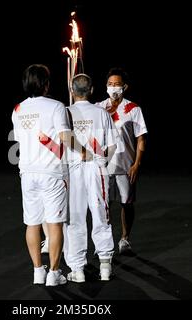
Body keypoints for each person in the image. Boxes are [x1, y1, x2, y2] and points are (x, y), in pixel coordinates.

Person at [12, 64, 71, 286]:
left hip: (27, 172)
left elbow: (20, 139)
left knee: (32, 223)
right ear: (46, 83)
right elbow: (65, 138)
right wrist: (85, 151)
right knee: (54, 224)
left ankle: (38, 271)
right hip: (52, 172)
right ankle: (54, 274)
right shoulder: (56, 106)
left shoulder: (17, 109)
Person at [64, 74, 118, 282]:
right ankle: (105, 265)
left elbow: (60, 143)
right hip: (97, 170)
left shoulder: (65, 113)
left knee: (75, 218)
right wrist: (105, 166)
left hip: (73, 171)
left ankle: (77, 269)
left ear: (72, 90)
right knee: (100, 213)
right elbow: (113, 145)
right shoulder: (101, 113)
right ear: (92, 90)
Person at [96, 68, 148, 254]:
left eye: (117, 84)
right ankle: (104, 241)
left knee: (127, 203)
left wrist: (137, 163)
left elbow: (141, 138)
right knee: (104, 204)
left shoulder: (133, 109)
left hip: (126, 164)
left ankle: (125, 238)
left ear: (125, 86)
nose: (113, 87)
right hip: (104, 165)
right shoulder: (98, 107)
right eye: (110, 84)